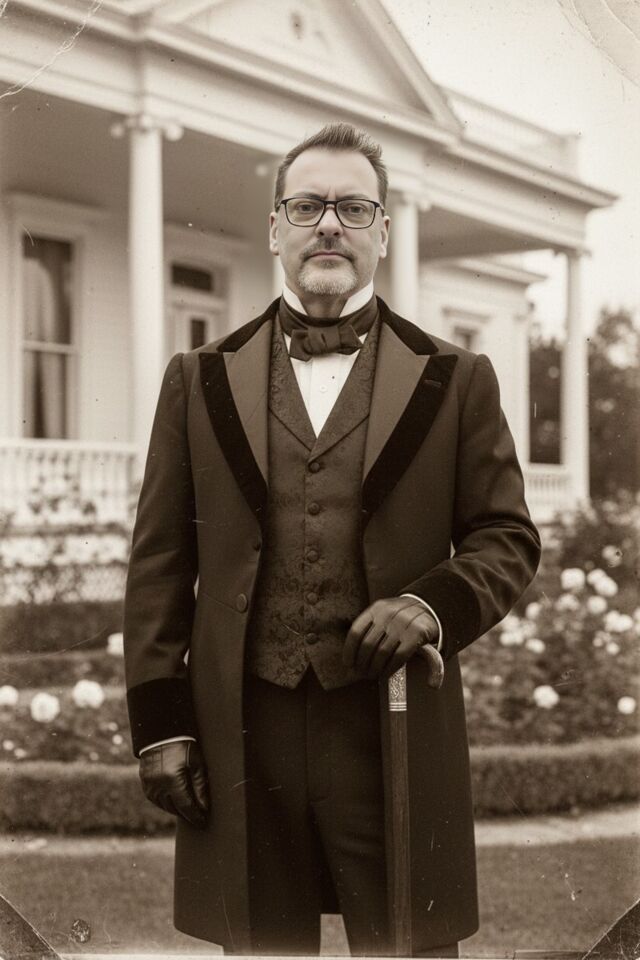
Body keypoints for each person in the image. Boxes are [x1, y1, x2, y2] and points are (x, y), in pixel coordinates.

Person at [123, 122, 541, 958]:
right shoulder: (198, 378)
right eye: (307, 206)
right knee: (263, 947)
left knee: (409, 946)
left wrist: (431, 605)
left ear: (383, 232)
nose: (328, 226)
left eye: (353, 208)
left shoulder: (456, 378)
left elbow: (506, 536)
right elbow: (161, 561)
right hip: (246, 727)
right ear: (275, 228)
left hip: (391, 723)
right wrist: (161, 726)